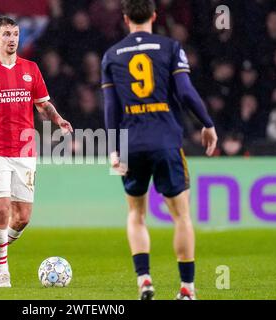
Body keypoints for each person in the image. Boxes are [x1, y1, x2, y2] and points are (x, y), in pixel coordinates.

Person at [101, 0, 217, 300]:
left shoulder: (112, 55)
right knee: (181, 216)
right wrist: (207, 123)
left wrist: (114, 149)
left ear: (125, 18)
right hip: (165, 141)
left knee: (136, 215)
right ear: (154, 15)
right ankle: (187, 289)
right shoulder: (170, 47)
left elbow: (111, 108)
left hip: (131, 144)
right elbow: (185, 92)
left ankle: (145, 281)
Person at [0, 16, 72, 288]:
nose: (12, 39)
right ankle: (2, 274)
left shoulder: (31, 69)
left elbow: (43, 105)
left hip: (24, 150)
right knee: (1, 210)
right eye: (7, 34)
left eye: (16, 34)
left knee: (22, 218)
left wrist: (58, 119)